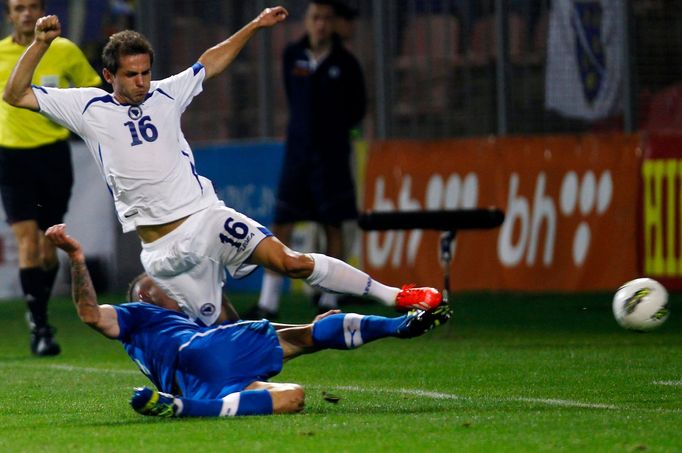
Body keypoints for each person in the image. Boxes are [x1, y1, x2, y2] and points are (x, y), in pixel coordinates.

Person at [3, 9, 441, 330]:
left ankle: (395, 296)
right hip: (162, 254)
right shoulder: (86, 106)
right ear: (108, 74)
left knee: (288, 261)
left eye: (146, 72)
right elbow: (15, 94)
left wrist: (252, 27)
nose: (142, 81)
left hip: (205, 219)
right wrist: (39, 45)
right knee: (230, 341)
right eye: (132, 75)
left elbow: (208, 61)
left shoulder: (165, 94)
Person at [45, 223, 451, 417]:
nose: (169, 286)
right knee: (310, 333)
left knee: (292, 395)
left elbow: (225, 324)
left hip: (205, 378)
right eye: (159, 285)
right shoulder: (138, 316)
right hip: (203, 352)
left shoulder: (178, 323)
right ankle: (398, 323)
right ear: (146, 296)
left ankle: (187, 409)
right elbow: (89, 314)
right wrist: (78, 259)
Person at [253, 0, 368, 319]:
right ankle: (268, 303)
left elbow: (358, 109)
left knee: (333, 227)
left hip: (331, 159)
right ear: (307, 20)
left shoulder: (347, 63)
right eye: (316, 17)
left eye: (326, 18)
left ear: (333, 23)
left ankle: (329, 302)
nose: (320, 24)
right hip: (298, 156)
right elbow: (294, 98)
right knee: (282, 225)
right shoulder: (293, 55)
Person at [0, 0, 101, 356]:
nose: (26, 13)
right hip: (12, 157)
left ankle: (38, 311)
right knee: (26, 242)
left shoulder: (64, 50)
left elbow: (93, 90)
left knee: (46, 250)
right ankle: (40, 325)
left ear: (41, 11)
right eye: (18, 8)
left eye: (32, 7)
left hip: (53, 156)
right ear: (9, 15)